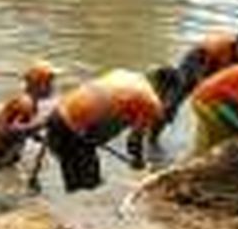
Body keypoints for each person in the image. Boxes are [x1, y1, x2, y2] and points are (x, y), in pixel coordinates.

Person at [33, 69, 163, 193]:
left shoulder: (127, 75)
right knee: (90, 186)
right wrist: (138, 162)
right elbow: (135, 140)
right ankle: (79, 211)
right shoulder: (152, 103)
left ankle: (69, 205)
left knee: (75, 179)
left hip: (57, 114)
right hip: (72, 129)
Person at [151, 25, 238, 143]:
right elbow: (197, 80)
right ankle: (153, 137)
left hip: (222, 77)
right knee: (173, 101)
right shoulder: (214, 48)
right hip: (198, 67)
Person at [0, 61, 58, 173]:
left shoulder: (31, 103)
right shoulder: (25, 103)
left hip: (3, 158)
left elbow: (24, 129)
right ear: (40, 84)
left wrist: (41, 138)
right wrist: (44, 122)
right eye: (50, 82)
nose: (53, 87)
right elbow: (14, 130)